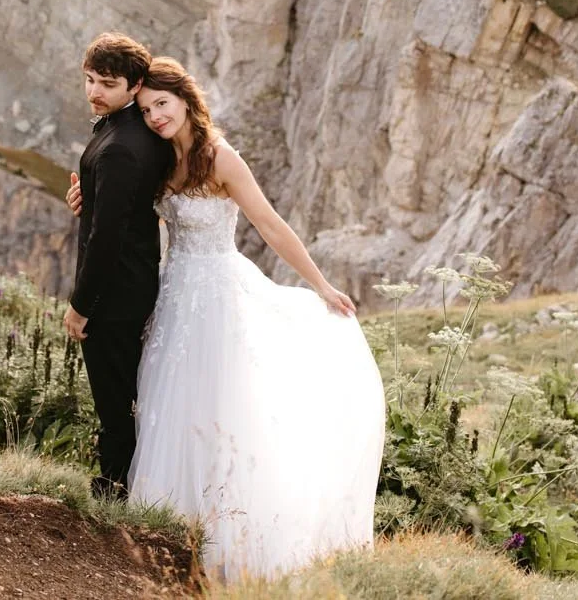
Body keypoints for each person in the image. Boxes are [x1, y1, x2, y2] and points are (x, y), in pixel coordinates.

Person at [68, 55, 383, 582]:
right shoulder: (158, 159)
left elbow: (272, 226)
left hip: (218, 294)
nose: (154, 117)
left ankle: (226, 537)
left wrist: (321, 284)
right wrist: (82, 193)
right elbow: (117, 202)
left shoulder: (220, 158)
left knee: (219, 408)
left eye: (162, 105)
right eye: (146, 110)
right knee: (166, 404)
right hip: (173, 296)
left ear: (188, 103)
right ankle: (165, 524)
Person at [64, 31, 169, 499]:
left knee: (114, 398)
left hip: (115, 293)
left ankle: (115, 491)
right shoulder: (120, 128)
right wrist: (86, 198)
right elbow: (113, 211)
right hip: (127, 281)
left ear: (134, 85)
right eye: (89, 80)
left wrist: (81, 306)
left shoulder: (124, 145)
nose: (94, 92)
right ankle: (120, 484)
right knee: (120, 392)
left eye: (106, 83)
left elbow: (107, 239)